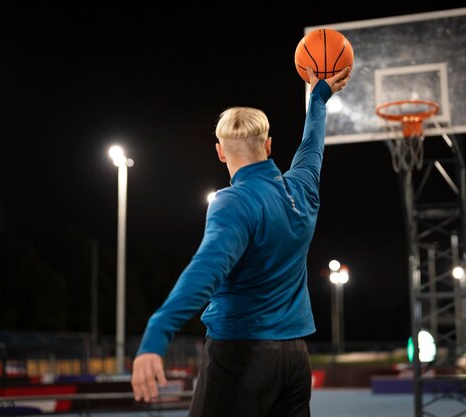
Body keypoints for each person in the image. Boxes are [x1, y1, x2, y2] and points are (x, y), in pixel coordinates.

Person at [130, 64, 352, 417]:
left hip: (241, 356)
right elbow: (312, 142)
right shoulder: (302, 188)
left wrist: (157, 332)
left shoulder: (232, 202)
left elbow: (206, 270)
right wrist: (319, 97)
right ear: (268, 145)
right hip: (295, 359)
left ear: (220, 151)